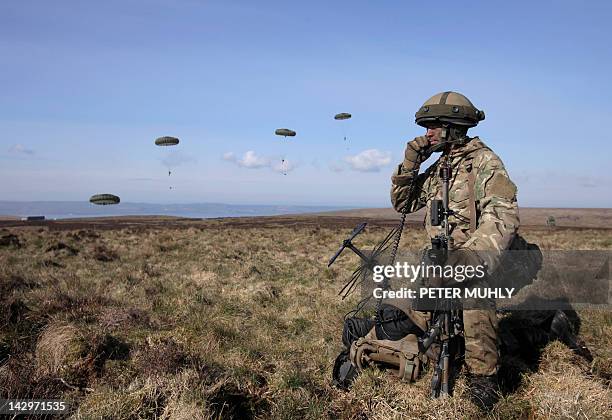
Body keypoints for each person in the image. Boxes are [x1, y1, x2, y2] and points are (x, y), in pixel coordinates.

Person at [390, 91, 520, 410]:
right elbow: (404, 204)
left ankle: (483, 378)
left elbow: (502, 216)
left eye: (434, 126)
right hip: (438, 262)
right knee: (412, 312)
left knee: (476, 300)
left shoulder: (484, 162)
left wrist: (469, 257)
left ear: (452, 126)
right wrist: (410, 164)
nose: (428, 133)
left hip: (476, 259)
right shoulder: (440, 166)